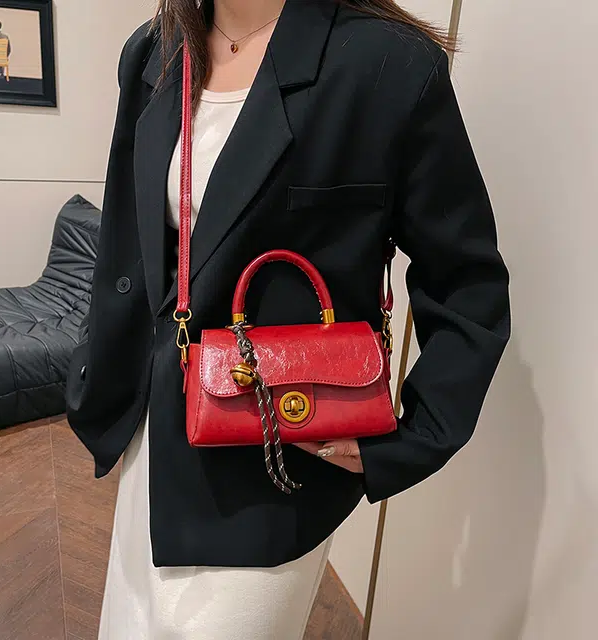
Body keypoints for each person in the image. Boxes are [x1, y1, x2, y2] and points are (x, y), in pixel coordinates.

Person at [65, 0, 511, 637]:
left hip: (274, 468)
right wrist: (95, 361)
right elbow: (125, 240)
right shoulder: (157, 50)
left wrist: (412, 441)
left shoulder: (387, 65)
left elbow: (468, 282)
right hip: (150, 435)